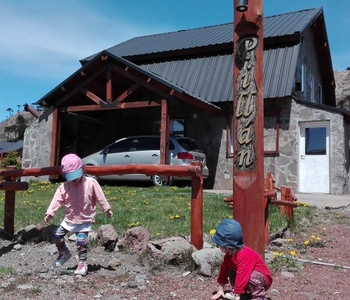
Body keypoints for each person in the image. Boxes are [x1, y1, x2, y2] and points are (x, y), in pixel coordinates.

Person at [44, 153, 113, 276]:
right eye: (71, 176)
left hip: (84, 220)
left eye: (76, 175)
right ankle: (64, 253)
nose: (74, 179)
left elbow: (100, 197)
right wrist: (50, 213)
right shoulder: (64, 187)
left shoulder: (91, 183)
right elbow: (56, 200)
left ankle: (82, 263)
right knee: (57, 235)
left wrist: (106, 208)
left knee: (81, 242)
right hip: (69, 218)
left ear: (82, 169)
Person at [211, 219, 272, 300]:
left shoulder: (244, 255)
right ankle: (242, 293)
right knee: (230, 269)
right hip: (246, 277)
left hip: (262, 279)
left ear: (227, 246)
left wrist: (237, 296)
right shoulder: (229, 256)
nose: (218, 246)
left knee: (251, 276)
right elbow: (223, 272)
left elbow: (242, 275)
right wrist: (220, 289)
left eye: (219, 244)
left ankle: (259, 296)